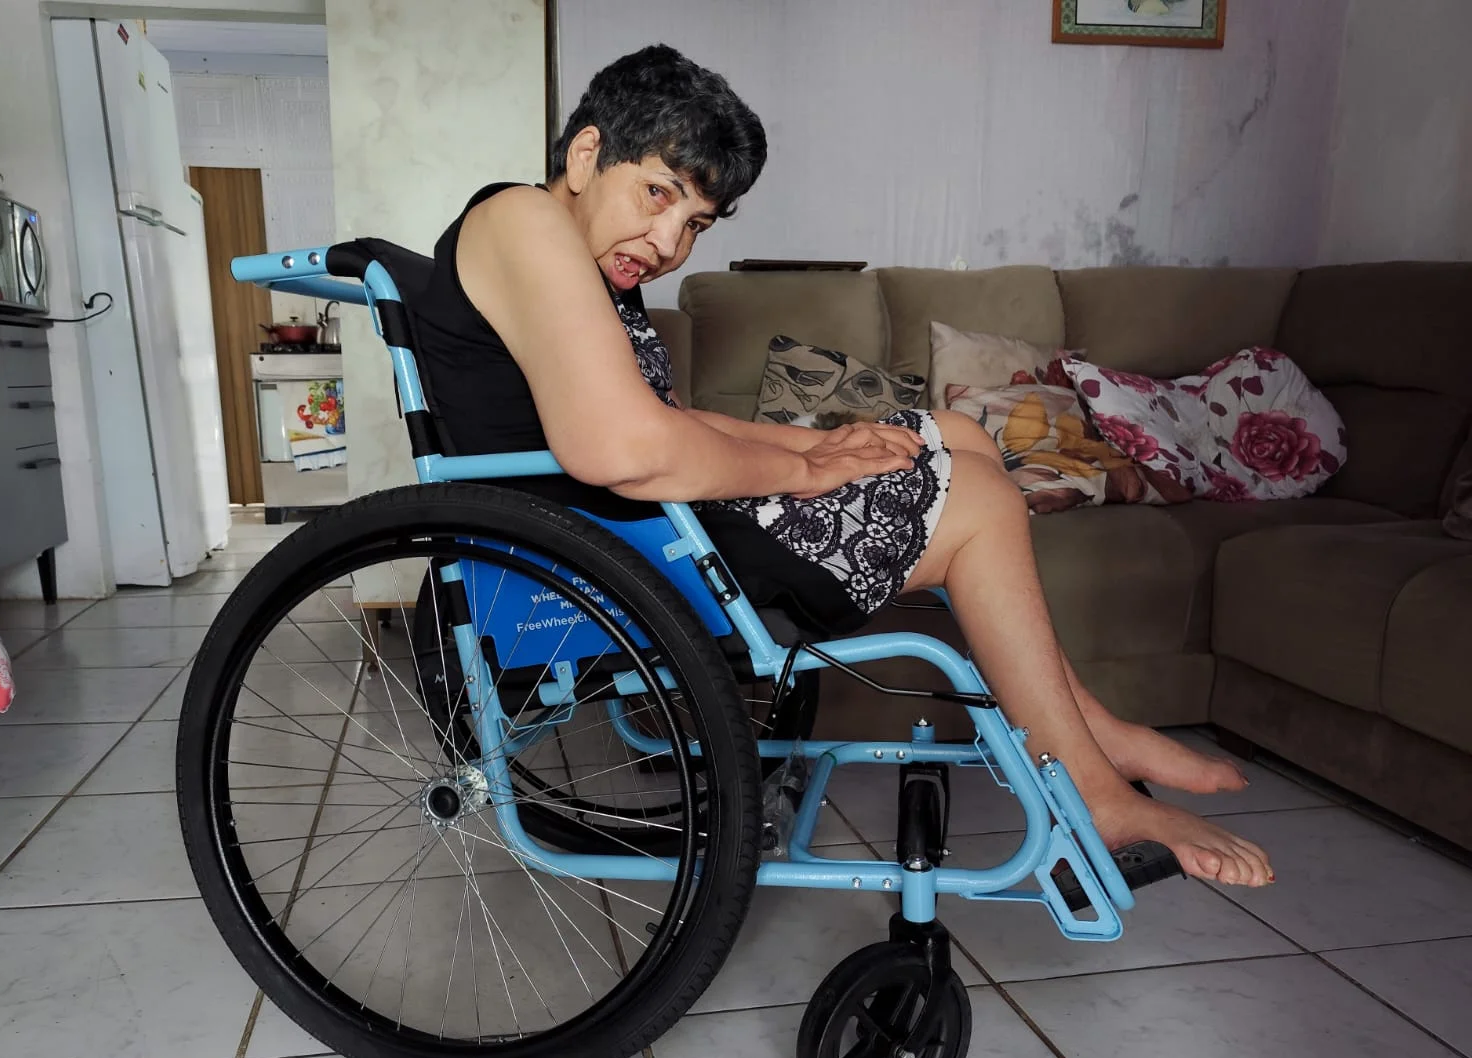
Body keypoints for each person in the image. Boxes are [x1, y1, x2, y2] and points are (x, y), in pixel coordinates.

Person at [412, 44, 1273, 889]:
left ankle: (1089, 727)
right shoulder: (522, 218)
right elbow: (622, 449)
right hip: (586, 554)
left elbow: (666, 422)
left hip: (633, 524)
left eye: (696, 223)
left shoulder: (594, 260)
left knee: (954, 437)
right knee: (976, 501)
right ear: (586, 153)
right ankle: (1093, 788)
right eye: (658, 194)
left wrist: (818, 448)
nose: (669, 242)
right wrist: (804, 473)